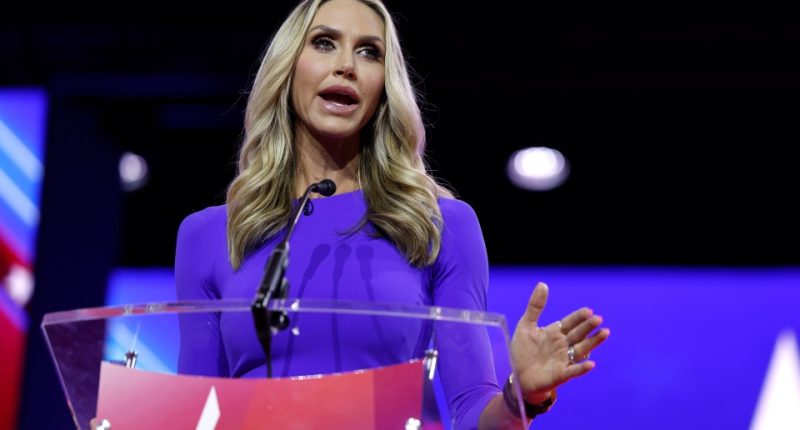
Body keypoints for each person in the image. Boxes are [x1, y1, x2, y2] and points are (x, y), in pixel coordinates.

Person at [174, 0, 610, 428]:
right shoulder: (211, 234)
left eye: (369, 52)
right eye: (324, 42)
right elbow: (194, 414)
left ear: (384, 86)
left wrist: (522, 397)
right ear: (288, 69)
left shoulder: (439, 224)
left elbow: (473, 407)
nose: (347, 65)